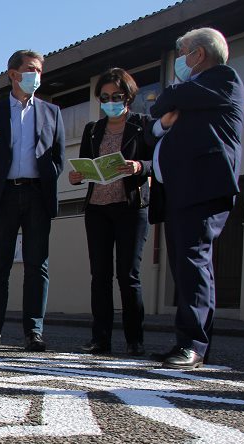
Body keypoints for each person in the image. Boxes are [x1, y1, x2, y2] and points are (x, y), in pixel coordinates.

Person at [147, 28, 244, 370]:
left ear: (199, 54)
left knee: (193, 261)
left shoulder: (223, 79)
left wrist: (167, 108)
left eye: (184, 54)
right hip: (180, 190)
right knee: (184, 265)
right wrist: (163, 119)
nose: (181, 63)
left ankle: (194, 344)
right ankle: (189, 342)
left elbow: (165, 100)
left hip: (203, 187)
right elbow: (152, 125)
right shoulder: (198, 94)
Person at [0, 50, 65, 352]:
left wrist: (46, 178)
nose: (36, 75)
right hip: (4, 195)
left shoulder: (52, 112)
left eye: (39, 71)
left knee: (38, 266)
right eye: (31, 69)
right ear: (13, 74)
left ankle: (33, 332)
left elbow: (58, 157)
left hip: (37, 195)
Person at [68, 68, 154, 357]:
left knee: (128, 276)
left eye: (116, 96)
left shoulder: (142, 125)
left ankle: (134, 339)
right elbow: (84, 164)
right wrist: (77, 176)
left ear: (128, 97)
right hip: (97, 209)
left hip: (130, 208)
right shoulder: (93, 129)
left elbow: (158, 160)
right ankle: (100, 339)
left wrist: (139, 166)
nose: (110, 102)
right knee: (100, 276)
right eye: (104, 97)